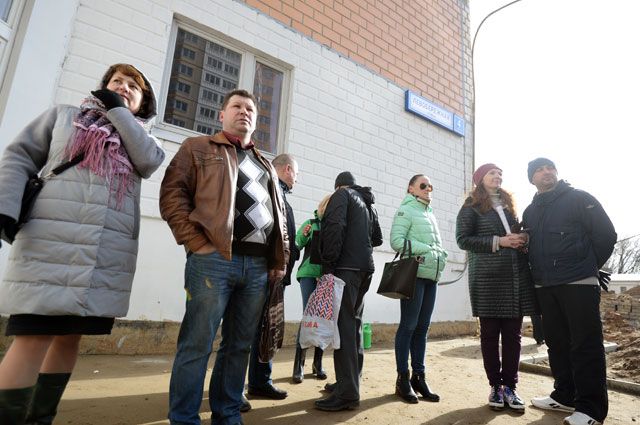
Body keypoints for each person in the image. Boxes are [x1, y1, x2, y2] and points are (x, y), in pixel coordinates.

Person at [0, 63, 164, 424]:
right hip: (51, 241)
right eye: (116, 81)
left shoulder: (143, 138)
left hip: (103, 253)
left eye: (133, 87)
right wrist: (6, 207)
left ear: (142, 103)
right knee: (32, 336)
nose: (123, 86)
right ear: (102, 87)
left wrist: (118, 112)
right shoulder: (65, 117)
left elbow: (149, 162)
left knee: (69, 337)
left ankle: (41, 417)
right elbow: (19, 156)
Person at [159, 89, 289, 425]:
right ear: (222, 114)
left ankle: (228, 414)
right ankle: (185, 418)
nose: (244, 111)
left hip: (258, 267)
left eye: (250, 108)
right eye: (236, 106)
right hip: (212, 261)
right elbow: (172, 196)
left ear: (256, 121)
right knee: (197, 343)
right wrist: (197, 244)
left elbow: (280, 217)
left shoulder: (265, 164)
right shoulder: (198, 148)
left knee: (239, 347)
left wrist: (279, 261)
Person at [524, 158, 616, 425]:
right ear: (532, 178)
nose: (546, 172)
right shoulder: (530, 212)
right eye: (539, 169)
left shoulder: (579, 198)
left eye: (550, 167)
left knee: (585, 344)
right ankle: (565, 395)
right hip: (545, 285)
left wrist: (586, 268)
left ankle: (591, 409)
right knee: (557, 343)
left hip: (578, 283)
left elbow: (606, 235)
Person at [456, 163, 537, 413]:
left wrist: (522, 237)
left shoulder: (508, 205)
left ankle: (511, 387)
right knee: (490, 336)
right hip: (488, 279)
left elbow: (516, 234)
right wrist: (498, 241)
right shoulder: (471, 205)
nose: (498, 176)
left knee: (513, 336)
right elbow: (463, 239)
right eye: (493, 173)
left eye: (500, 173)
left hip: (514, 277)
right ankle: (495, 386)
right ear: (480, 179)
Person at [314, 171, 382, 411]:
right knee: (353, 326)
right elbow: (377, 239)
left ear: (338, 186)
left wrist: (327, 266)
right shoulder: (367, 202)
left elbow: (334, 228)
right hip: (365, 269)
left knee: (343, 329)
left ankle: (347, 394)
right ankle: (350, 382)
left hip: (345, 269)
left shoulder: (341, 195)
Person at [390, 174, 447, 403]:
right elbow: (396, 241)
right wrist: (428, 250)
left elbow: (436, 245)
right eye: (423, 185)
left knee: (423, 329)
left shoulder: (429, 213)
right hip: (414, 276)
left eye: (430, 186)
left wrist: (440, 255)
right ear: (411, 188)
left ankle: (419, 377)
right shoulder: (407, 210)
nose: (427, 189)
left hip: (431, 277)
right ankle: (402, 379)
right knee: (409, 326)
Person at [246, 153, 299, 402]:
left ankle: (258, 381)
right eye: (296, 174)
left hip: (275, 273)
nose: (296, 179)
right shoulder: (272, 188)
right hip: (269, 273)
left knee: (265, 329)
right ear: (287, 169)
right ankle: (253, 384)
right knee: (260, 329)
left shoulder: (279, 192)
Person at [291, 194, 332, 384]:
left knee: (322, 318)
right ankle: (298, 366)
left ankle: (318, 364)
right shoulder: (311, 222)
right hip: (308, 274)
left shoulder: (336, 226)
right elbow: (297, 244)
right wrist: (303, 234)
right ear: (324, 206)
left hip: (326, 277)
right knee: (309, 317)